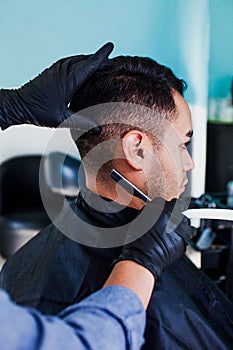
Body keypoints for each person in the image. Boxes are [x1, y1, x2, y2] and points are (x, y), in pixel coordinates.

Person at [1, 55, 233, 349]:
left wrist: (8, 106)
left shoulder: (21, 263)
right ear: (136, 150)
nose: (189, 163)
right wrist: (143, 262)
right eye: (182, 144)